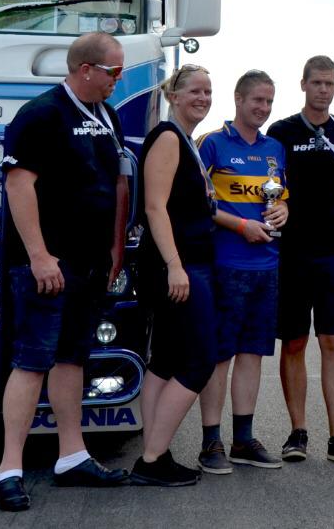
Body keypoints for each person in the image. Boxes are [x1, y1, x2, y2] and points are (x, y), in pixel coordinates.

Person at [0, 32, 132, 512]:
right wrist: (38, 256)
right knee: (32, 360)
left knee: (73, 358)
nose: (120, 80)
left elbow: (115, 181)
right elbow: (18, 185)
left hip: (90, 264)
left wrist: (114, 249)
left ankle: (72, 456)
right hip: (47, 264)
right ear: (85, 69)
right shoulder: (41, 113)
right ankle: (9, 469)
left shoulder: (106, 115)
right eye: (114, 71)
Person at [267, 56, 334, 466]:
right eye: (317, 83)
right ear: (303, 85)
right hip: (291, 252)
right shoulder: (282, 131)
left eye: (330, 83)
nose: (323, 90)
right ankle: (297, 432)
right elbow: (270, 185)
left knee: (333, 341)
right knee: (294, 342)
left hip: (331, 252)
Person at [194, 70, 290, 474]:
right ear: (238, 98)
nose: (264, 108)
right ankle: (210, 441)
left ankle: (243, 439)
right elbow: (199, 204)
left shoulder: (274, 148)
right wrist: (240, 226)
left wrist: (284, 210)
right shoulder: (212, 143)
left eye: (269, 101)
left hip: (267, 265)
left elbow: (280, 197)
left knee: (252, 354)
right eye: (257, 100)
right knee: (221, 355)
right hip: (225, 265)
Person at [133, 65, 220, 487]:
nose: (203, 98)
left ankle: (154, 452)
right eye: (195, 91)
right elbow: (154, 207)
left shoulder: (186, 140)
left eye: (208, 91)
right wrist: (174, 265)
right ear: (174, 96)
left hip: (185, 264)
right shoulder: (168, 138)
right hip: (178, 267)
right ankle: (152, 458)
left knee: (166, 360)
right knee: (200, 359)